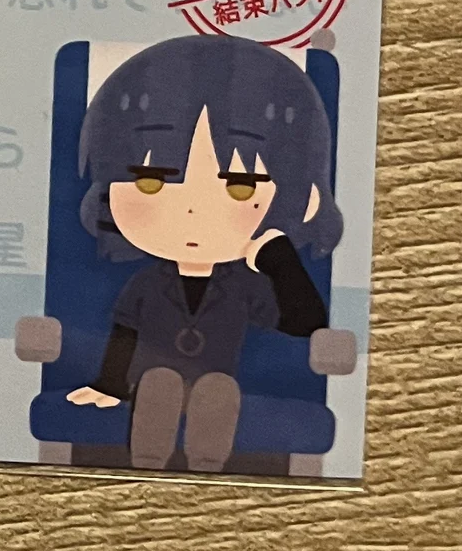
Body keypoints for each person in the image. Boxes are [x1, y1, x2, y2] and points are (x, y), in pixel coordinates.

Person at [66, 34, 342, 471]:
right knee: (158, 383)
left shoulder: (245, 286)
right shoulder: (145, 283)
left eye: (240, 187)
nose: (194, 210)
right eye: (151, 182)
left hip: (217, 383)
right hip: (153, 383)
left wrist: (279, 258)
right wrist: (110, 384)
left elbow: (304, 322)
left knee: (218, 389)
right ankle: (148, 461)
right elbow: (124, 336)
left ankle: (208, 465)